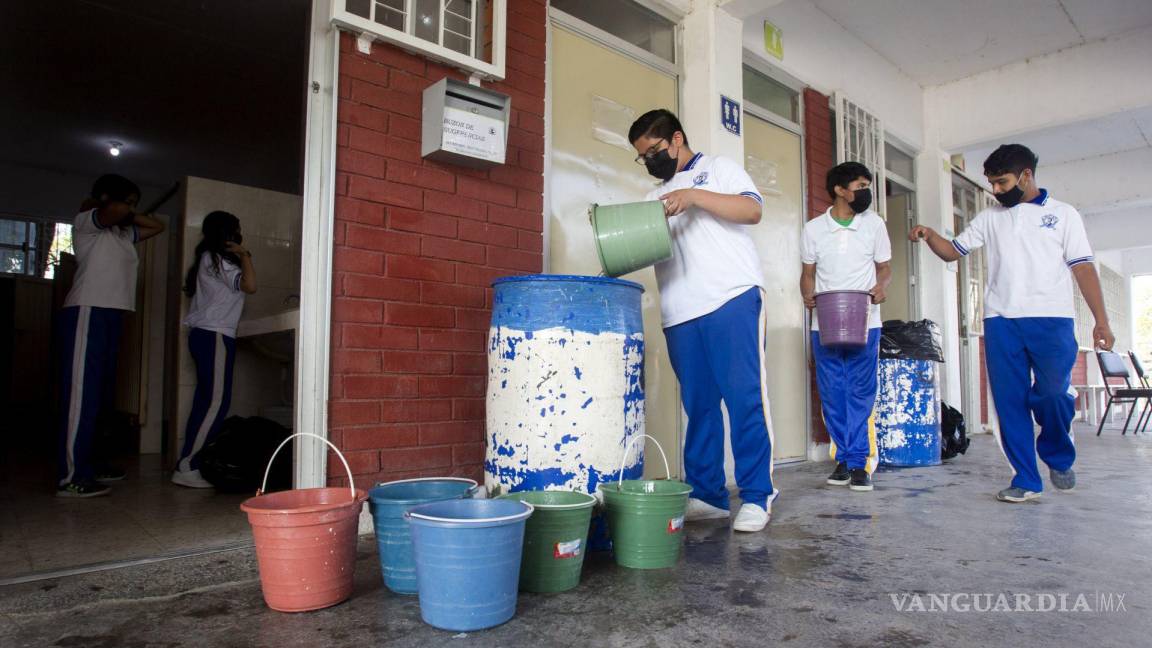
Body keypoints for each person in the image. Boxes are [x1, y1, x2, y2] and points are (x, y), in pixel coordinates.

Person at [910, 144, 1114, 503]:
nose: (996, 191)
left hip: (1052, 320)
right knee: (1010, 403)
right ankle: (1026, 478)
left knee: (1052, 394)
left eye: (1002, 183)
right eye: (991, 184)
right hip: (1001, 320)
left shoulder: (1063, 214)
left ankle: (1057, 453)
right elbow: (952, 252)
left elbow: (1082, 267)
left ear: (1026, 175)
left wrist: (1101, 321)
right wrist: (929, 235)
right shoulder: (990, 217)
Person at [628, 109, 777, 532]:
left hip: (731, 297)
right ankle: (707, 494)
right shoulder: (649, 198)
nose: (651, 161)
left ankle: (756, 495)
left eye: (655, 150)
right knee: (699, 407)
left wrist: (694, 197)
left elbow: (752, 211)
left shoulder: (717, 169)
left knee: (745, 398)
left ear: (677, 139)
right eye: (643, 157)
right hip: (680, 310)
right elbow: (640, 248)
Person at [57, 174, 165, 497]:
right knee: (82, 397)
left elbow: (157, 226)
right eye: (129, 201)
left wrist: (127, 211)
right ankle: (71, 476)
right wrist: (115, 207)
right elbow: (113, 212)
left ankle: (94, 463)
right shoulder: (88, 223)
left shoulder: (122, 234)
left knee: (102, 398)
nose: (132, 209)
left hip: (113, 313)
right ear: (106, 198)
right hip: (87, 310)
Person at [801, 162, 891, 493]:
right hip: (824, 321)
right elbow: (808, 273)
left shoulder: (874, 225)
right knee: (832, 391)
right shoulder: (813, 229)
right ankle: (844, 457)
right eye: (860, 184)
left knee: (860, 390)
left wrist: (882, 286)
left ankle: (858, 462)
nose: (866, 190)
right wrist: (805, 293)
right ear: (840, 190)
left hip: (865, 320)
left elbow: (885, 268)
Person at [172, 211, 256, 488]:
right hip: (215, 335)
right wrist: (245, 255)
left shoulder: (207, 259)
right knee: (215, 403)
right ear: (228, 234)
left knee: (205, 402)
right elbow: (250, 286)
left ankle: (189, 462)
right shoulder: (219, 260)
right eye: (237, 230)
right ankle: (188, 465)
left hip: (205, 335)